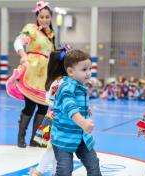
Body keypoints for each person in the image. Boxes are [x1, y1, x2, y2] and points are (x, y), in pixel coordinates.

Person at [51, 49, 102, 176]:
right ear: (70, 72)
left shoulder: (80, 85)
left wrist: (86, 108)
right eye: (84, 70)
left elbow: (77, 103)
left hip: (82, 137)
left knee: (94, 165)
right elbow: (70, 107)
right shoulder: (66, 87)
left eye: (90, 69)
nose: (88, 73)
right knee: (65, 169)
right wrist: (83, 122)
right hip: (64, 137)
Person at [13, 0, 55, 148]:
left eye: (47, 17)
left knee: (44, 107)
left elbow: (51, 55)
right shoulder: (31, 29)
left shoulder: (51, 34)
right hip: (31, 71)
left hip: (44, 75)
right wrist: (23, 55)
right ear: (37, 17)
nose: (44, 19)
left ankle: (35, 139)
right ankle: (21, 138)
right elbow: (18, 42)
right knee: (30, 106)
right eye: (41, 17)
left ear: (51, 18)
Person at [30, 49, 67, 176]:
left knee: (56, 149)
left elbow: (48, 100)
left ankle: (52, 172)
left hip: (52, 118)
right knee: (54, 148)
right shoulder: (61, 82)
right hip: (58, 120)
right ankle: (38, 171)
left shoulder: (55, 81)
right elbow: (55, 103)